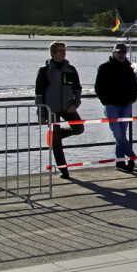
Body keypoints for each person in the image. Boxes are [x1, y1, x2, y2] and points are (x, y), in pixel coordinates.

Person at [35, 41, 84, 179]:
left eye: (64, 50)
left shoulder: (71, 69)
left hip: (68, 108)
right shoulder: (44, 71)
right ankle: (63, 169)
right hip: (51, 110)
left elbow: (78, 89)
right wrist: (41, 112)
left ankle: (55, 136)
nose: (63, 53)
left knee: (79, 128)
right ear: (53, 53)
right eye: (59, 51)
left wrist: (76, 104)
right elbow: (39, 94)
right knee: (56, 143)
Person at [94, 42, 137, 172]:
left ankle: (120, 162)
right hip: (111, 105)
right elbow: (98, 87)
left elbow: (133, 86)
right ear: (113, 52)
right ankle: (131, 155)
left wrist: (132, 99)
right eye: (119, 52)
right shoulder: (104, 68)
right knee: (118, 134)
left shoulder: (129, 68)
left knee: (122, 133)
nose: (121, 55)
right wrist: (105, 101)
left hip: (126, 105)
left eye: (123, 52)